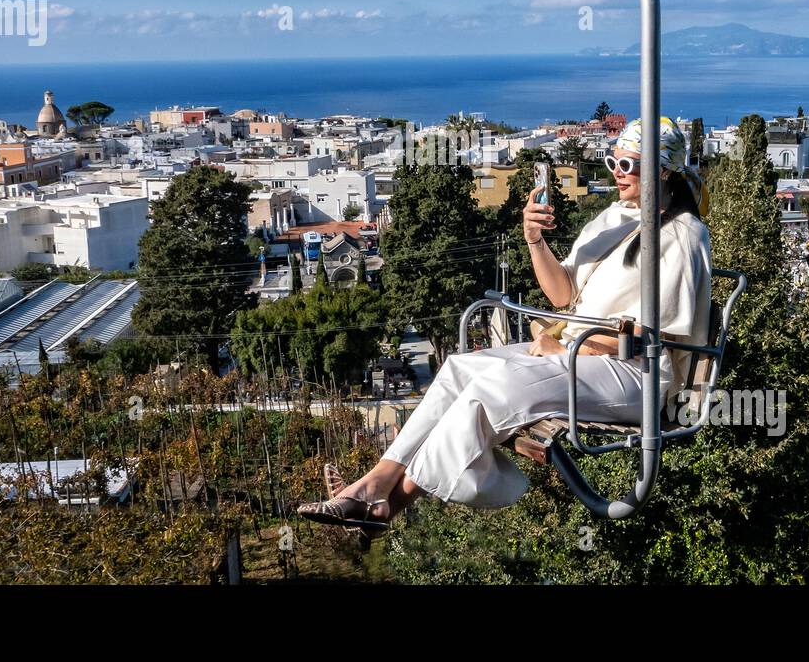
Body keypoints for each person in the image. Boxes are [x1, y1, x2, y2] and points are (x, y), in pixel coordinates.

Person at [296, 117, 713, 538]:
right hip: (576, 351)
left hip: (631, 374)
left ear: (663, 170)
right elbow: (561, 294)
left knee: (493, 388)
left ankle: (388, 503)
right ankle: (376, 483)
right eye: (613, 162)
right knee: (461, 368)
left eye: (629, 165)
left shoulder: (682, 236)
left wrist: (568, 350)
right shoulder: (613, 218)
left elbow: (653, 335)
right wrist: (534, 239)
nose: (617, 173)